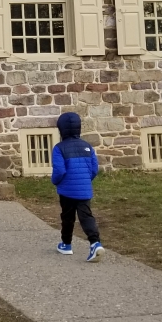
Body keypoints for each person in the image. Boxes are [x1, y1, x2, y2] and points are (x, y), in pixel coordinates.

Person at [51, 112, 104, 262]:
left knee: (67, 217)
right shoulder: (87, 146)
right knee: (86, 216)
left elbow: (59, 170)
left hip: (67, 189)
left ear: (61, 129)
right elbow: (94, 169)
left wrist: (55, 181)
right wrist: (86, 180)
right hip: (84, 189)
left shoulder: (59, 148)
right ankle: (95, 242)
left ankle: (66, 245)